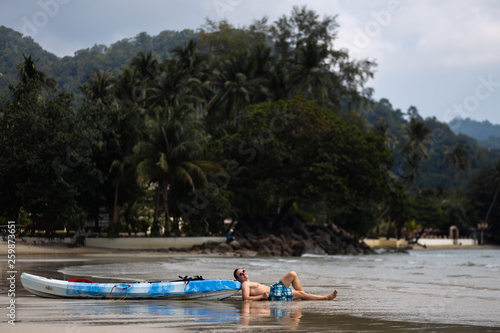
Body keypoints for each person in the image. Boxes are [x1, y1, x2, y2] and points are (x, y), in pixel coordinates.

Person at [234, 269, 337, 301]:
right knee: (300, 293)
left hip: (273, 287)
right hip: (273, 294)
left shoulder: (249, 282)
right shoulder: (245, 285)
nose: (244, 273)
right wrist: (261, 297)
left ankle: (303, 295)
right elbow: (245, 298)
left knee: (292, 274)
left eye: (243, 271)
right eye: (241, 274)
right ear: (238, 279)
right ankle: (326, 298)